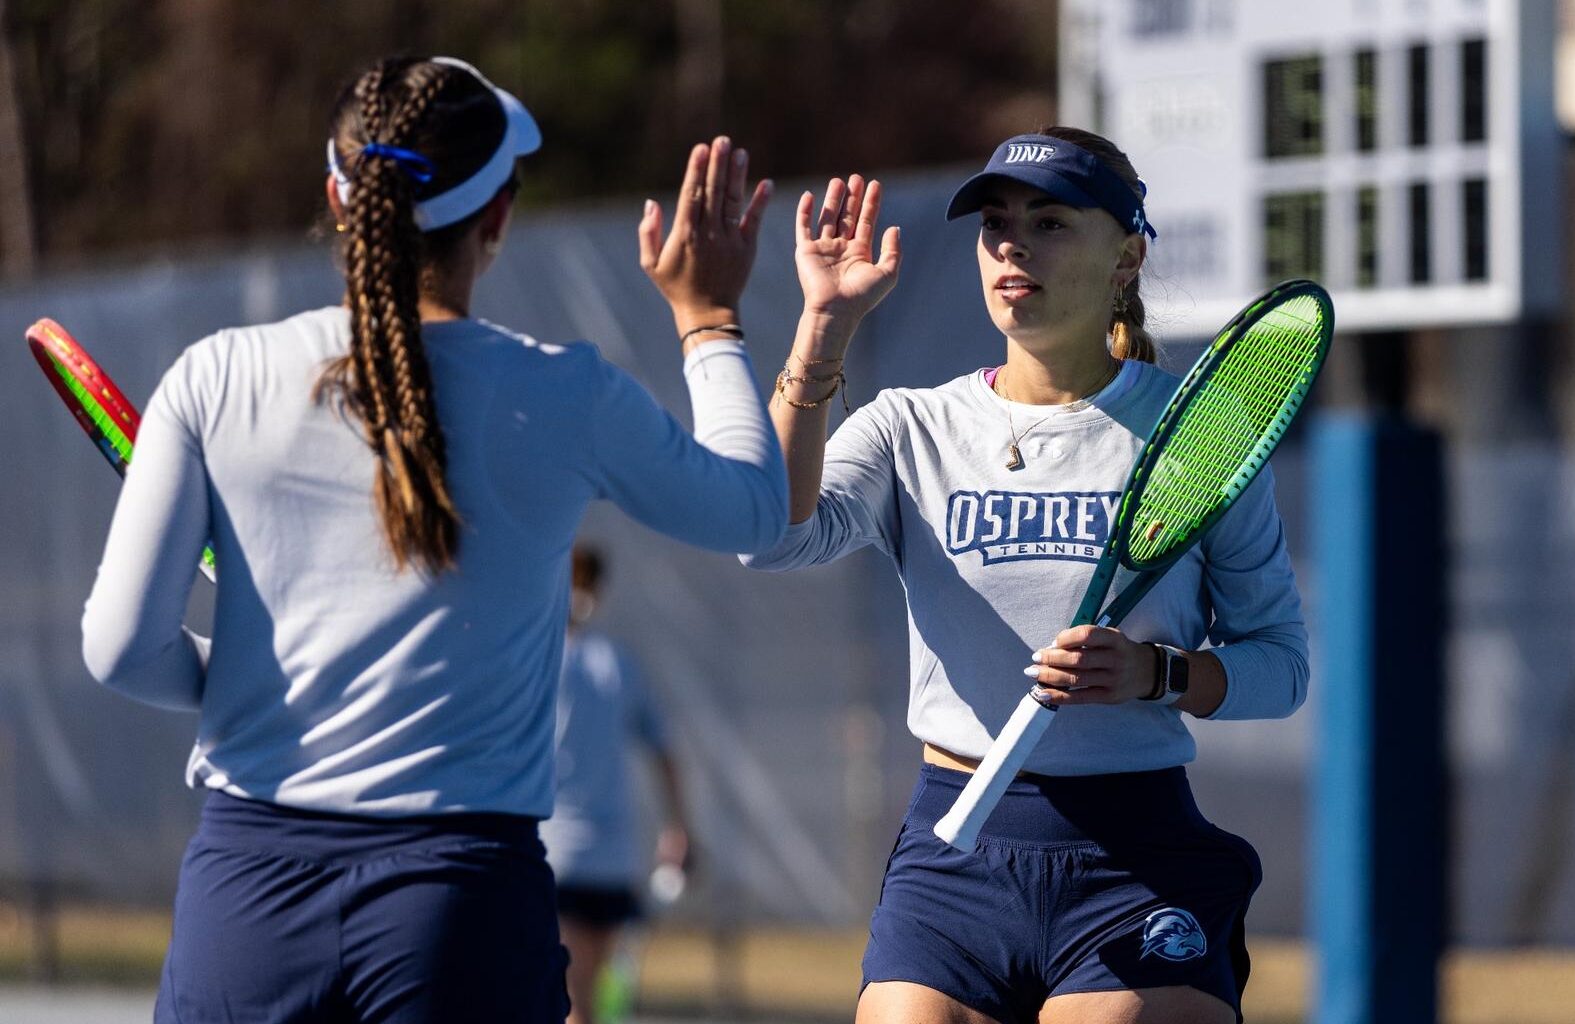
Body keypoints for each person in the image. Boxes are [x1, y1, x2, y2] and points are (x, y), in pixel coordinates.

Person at [80, 54, 785, 1023]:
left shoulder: (214, 376)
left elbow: (120, 649)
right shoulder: (567, 394)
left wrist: (251, 672)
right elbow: (755, 512)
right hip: (462, 910)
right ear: (497, 220)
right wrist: (708, 320)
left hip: (245, 904)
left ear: (338, 197)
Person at [741, 127, 1309, 1024]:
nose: (1013, 245)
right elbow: (769, 536)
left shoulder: (1205, 434)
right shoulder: (909, 426)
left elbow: (1281, 666)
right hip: (954, 855)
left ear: (1127, 256)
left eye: (1049, 223)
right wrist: (823, 329)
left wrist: (1155, 674)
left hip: (1135, 856)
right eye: (996, 224)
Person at [545, 543, 693, 1024]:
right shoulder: (615, 663)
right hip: (606, 861)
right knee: (589, 999)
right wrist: (678, 825)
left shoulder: (542, 662)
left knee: (576, 1000)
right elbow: (664, 752)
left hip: (563, 856)